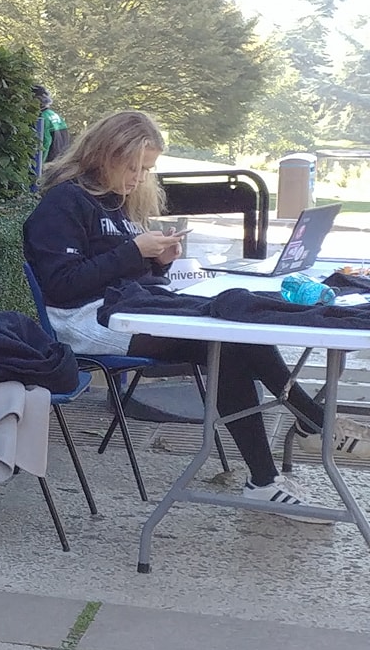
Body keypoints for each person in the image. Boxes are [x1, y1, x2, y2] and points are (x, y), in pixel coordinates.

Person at [23, 109, 368, 516]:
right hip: (83, 321)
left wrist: (159, 261)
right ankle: (304, 432)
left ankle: (283, 456)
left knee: (234, 330)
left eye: (146, 169)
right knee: (225, 339)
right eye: (132, 166)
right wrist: (134, 251)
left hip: (126, 307)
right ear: (104, 155)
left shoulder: (116, 201)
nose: (138, 177)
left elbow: (118, 270)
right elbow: (62, 285)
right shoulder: (64, 202)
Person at [32, 84, 70, 182]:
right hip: (60, 163)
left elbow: (44, 143)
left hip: (47, 166)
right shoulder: (55, 115)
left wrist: (39, 167)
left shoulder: (42, 118)